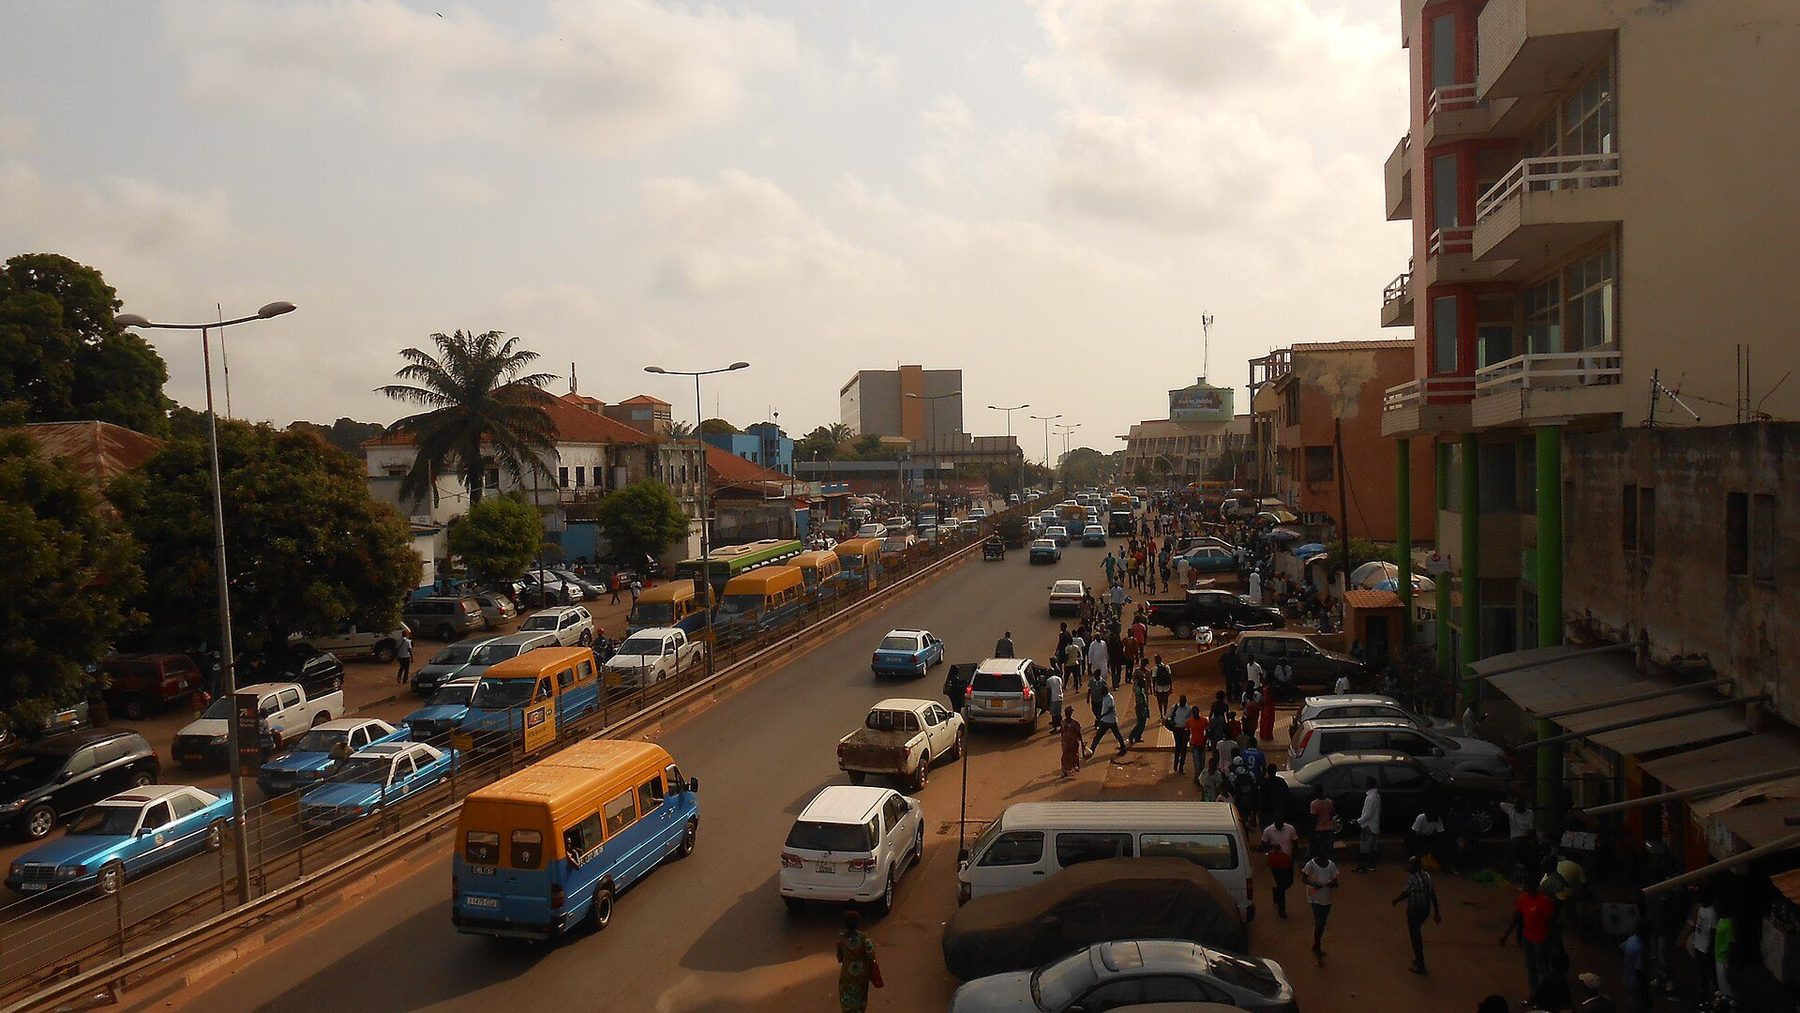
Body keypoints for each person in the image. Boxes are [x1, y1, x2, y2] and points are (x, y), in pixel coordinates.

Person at [1501, 878, 1556, 996]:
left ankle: (1545, 995)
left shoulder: (1545, 902)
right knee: (1530, 967)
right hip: (1528, 937)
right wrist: (1506, 934)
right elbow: (1516, 917)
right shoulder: (1523, 899)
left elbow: (1550, 923)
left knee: (1542, 968)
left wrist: (1550, 941)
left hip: (1541, 939)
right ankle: (1534, 993)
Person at [1392, 855, 1442, 975]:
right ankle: (1419, 960)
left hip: (1414, 910)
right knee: (1416, 930)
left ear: (1414, 867)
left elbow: (1406, 893)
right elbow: (1432, 894)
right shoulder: (1427, 876)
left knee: (1415, 936)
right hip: (1425, 910)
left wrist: (1396, 900)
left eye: (1410, 865)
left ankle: (1420, 963)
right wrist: (1436, 911)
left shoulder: (1413, 878)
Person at [1302, 847, 1340, 960]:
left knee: (1322, 923)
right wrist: (1313, 884)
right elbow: (1304, 878)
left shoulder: (1331, 865)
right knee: (1319, 923)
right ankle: (1317, 946)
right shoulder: (1310, 865)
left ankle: (1316, 943)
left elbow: (1336, 882)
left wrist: (1331, 884)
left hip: (1327, 898)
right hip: (1314, 897)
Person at [836, 909, 877, 1013]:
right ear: (858, 923)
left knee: (847, 999)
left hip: (846, 973)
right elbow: (871, 955)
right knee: (861, 996)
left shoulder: (841, 939)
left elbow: (839, 958)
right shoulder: (864, 938)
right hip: (862, 973)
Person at [1262, 814, 1300, 918]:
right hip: (1275, 861)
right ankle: (1281, 909)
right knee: (1281, 883)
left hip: (1287, 860)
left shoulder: (1290, 829)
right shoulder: (1268, 831)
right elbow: (1263, 845)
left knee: (1288, 882)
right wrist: (1272, 846)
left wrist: (1294, 858)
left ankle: (1277, 891)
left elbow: (1295, 843)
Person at [1688, 889, 1718, 997]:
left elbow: (1713, 932)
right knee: (1701, 973)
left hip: (1705, 948)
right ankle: (1703, 993)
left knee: (1710, 974)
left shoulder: (1712, 912)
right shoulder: (1701, 908)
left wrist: (1709, 949)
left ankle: (1714, 996)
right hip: (1698, 945)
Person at [1620, 921, 1649, 1013]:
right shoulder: (1639, 948)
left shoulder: (1631, 939)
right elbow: (1639, 971)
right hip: (1635, 981)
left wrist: (1627, 961)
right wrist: (1644, 988)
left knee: (1632, 1000)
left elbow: (1621, 948)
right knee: (1638, 1003)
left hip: (1627, 975)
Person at [1354, 778, 1382, 873]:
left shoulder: (1370, 798)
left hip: (1367, 825)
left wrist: (1358, 821)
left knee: (1364, 847)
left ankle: (1362, 867)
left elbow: (1368, 814)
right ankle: (1371, 866)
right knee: (1373, 847)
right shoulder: (1377, 796)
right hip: (1374, 825)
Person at [1090, 686, 1127, 755]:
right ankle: (1092, 750)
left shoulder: (1110, 698)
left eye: (1101, 691)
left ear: (1105, 691)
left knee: (1117, 735)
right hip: (1104, 721)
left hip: (1111, 720)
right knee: (1098, 736)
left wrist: (1102, 715)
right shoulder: (1104, 697)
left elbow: (1110, 709)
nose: (1100, 692)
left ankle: (1123, 748)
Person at [1712, 900, 1736, 1000]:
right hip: (1718, 957)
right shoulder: (1721, 920)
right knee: (1722, 987)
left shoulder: (1730, 922)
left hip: (1724, 960)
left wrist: (1728, 962)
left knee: (1727, 990)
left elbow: (1731, 943)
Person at [1308, 786, 1336, 861]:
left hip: (1318, 829)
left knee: (1317, 849)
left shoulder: (1314, 804)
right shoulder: (1329, 802)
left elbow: (1313, 818)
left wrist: (1311, 832)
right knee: (1328, 850)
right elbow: (1332, 813)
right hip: (1329, 829)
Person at [1169, 695, 1194, 773]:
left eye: (1183, 701)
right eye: (1181, 701)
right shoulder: (1175, 707)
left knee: (1184, 748)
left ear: (1185, 701)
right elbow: (1169, 717)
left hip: (1185, 730)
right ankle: (1175, 765)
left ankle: (1181, 767)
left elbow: (1191, 719)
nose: (1182, 703)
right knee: (1178, 746)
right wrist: (1171, 722)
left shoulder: (1189, 709)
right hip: (1176, 730)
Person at [1059, 707, 1084, 778]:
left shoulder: (1063, 723)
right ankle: (1069, 769)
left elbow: (1061, 732)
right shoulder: (1075, 723)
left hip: (1068, 742)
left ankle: (1067, 770)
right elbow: (1078, 733)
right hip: (1070, 742)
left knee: (1068, 756)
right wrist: (1081, 742)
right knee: (1070, 756)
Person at [1127, 675, 1150, 746]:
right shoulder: (1139, 691)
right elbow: (1140, 703)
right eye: (1144, 683)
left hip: (1144, 708)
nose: (1145, 684)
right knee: (1140, 724)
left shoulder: (1141, 690)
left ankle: (1138, 737)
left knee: (1143, 724)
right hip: (1141, 709)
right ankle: (1132, 736)